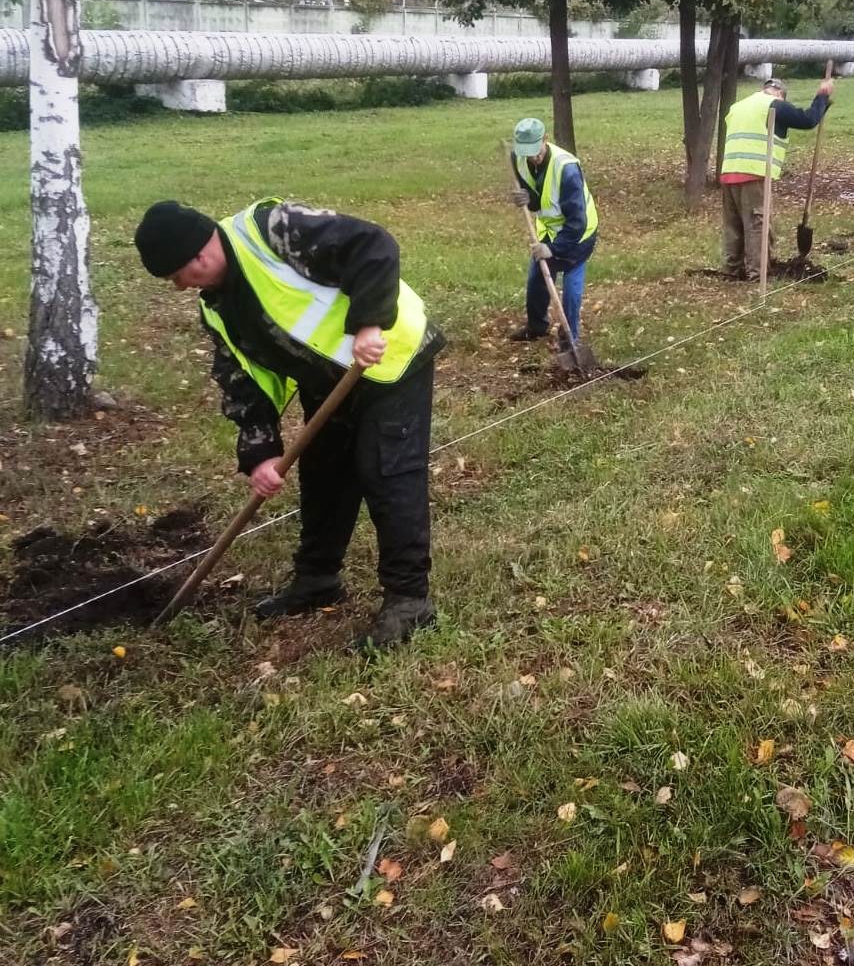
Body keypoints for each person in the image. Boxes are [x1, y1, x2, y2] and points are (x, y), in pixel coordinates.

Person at [134, 197, 445, 650]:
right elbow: (243, 379)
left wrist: (369, 324)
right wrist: (260, 451)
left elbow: (373, 244)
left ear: (199, 255)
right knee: (324, 475)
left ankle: (409, 601)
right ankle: (317, 580)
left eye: (177, 275)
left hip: (389, 358)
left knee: (387, 473)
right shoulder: (216, 307)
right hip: (328, 378)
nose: (180, 287)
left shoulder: (271, 230)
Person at [720, 75, 833, 279]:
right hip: (754, 172)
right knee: (757, 223)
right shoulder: (774, 105)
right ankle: (758, 273)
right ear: (780, 94)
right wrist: (822, 96)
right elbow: (807, 120)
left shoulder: (738, 106)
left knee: (733, 224)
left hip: (729, 171)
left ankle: (732, 269)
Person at [507, 117, 598, 343]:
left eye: (535, 151)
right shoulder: (517, 158)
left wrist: (553, 249)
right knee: (536, 279)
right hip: (548, 231)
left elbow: (577, 222)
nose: (532, 158)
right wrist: (526, 199)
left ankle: (570, 339)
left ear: (545, 140)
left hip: (578, 235)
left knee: (571, 290)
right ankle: (537, 327)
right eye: (526, 152)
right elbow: (539, 201)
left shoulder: (566, 169)